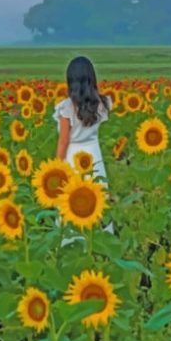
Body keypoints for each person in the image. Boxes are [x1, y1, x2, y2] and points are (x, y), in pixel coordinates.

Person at [52, 56, 114, 244]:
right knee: (97, 199)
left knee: (72, 202)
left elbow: (63, 142)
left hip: (73, 157)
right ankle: (100, 241)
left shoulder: (66, 108)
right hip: (94, 156)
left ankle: (72, 242)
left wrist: (55, 169)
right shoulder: (103, 103)